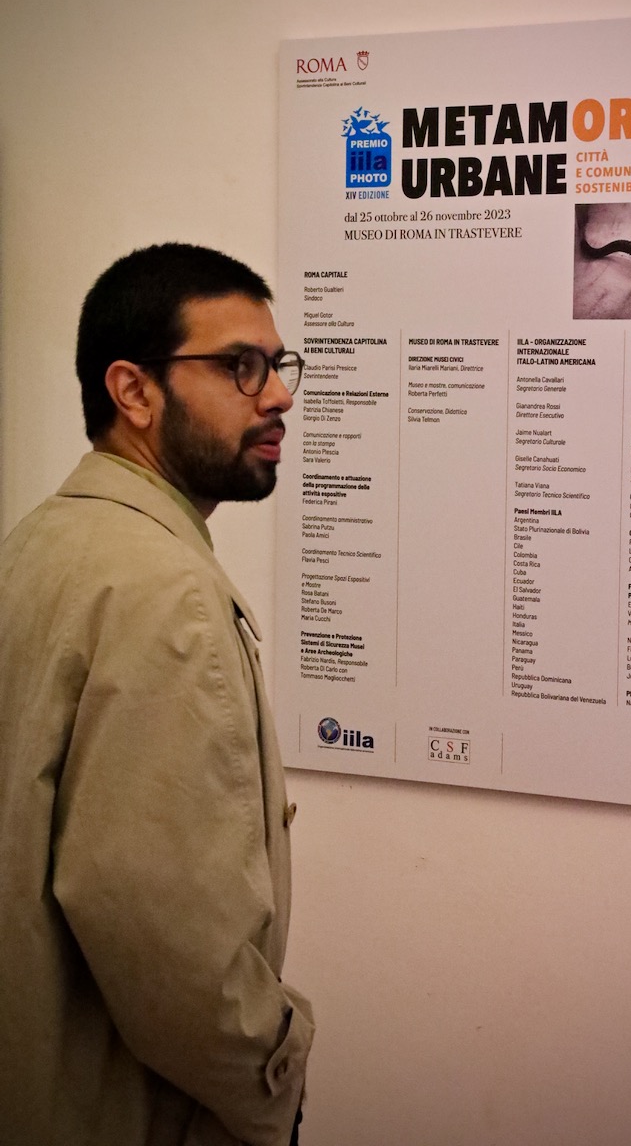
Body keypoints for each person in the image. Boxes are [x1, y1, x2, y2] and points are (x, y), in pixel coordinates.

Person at [0, 243, 314, 1146]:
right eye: (240, 365)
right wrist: (277, 1076)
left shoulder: (41, 542)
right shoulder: (166, 592)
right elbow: (173, 949)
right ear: (134, 392)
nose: (278, 395)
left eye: (278, 364)